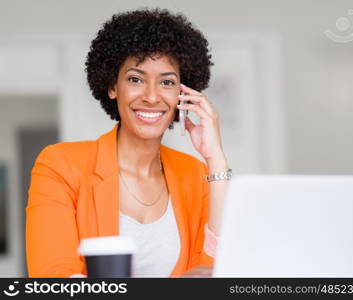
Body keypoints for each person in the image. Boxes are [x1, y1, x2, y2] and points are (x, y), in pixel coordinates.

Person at [26, 8, 231, 278]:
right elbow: (54, 277)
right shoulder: (60, 164)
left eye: (167, 82)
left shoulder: (194, 174)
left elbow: (215, 270)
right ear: (113, 86)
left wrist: (215, 157)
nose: (151, 96)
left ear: (182, 94)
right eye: (136, 79)